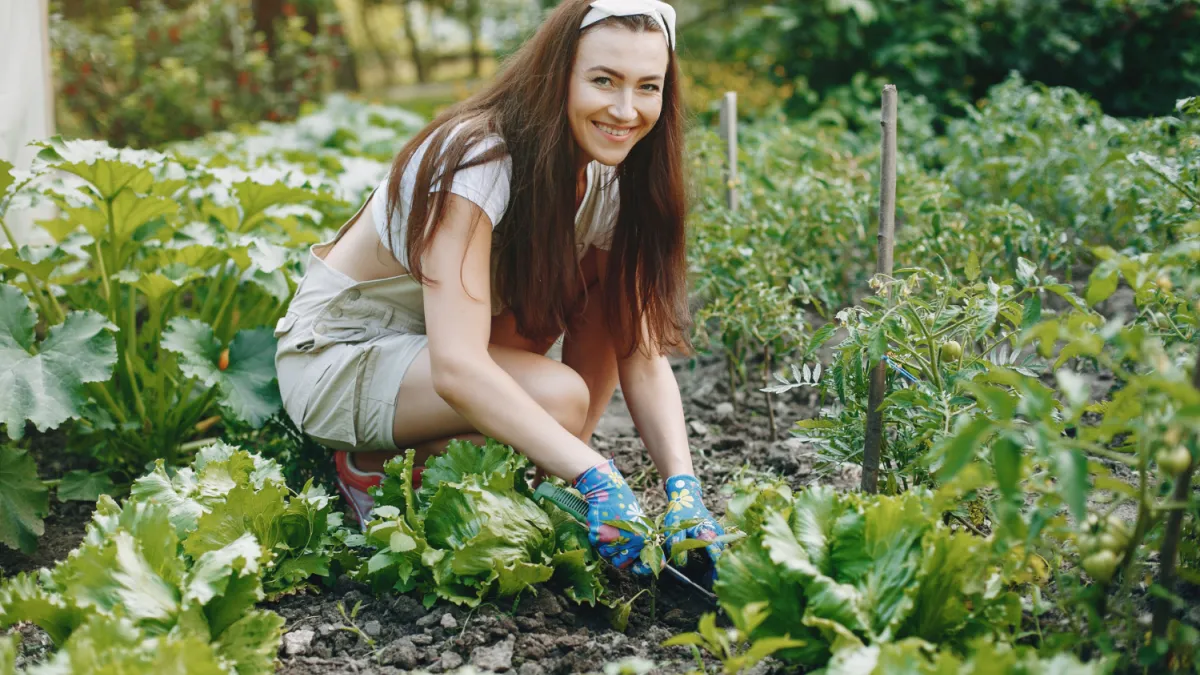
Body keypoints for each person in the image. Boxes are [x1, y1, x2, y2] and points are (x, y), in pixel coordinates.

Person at [274, 0, 723, 578]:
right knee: (559, 396)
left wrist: (684, 489)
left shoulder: (609, 177)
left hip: (426, 356)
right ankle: (367, 466)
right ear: (558, 74)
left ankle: (549, 484)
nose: (625, 109)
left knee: (606, 301)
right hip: (342, 358)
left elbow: (639, 352)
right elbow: (458, 367)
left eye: (647, 87)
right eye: (603, 81)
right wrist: (598, 474)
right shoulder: (477, 158)